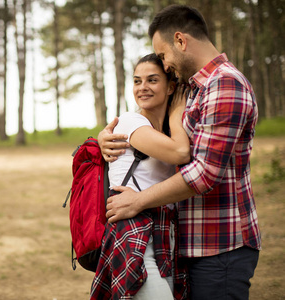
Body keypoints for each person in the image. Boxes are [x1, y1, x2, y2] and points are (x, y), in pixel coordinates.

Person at [98, 4, 261, 300]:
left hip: (221, 245)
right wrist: (104, 138)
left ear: (181, 41)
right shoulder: (197, 88)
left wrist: (137, 201)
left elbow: (202, 175)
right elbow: (156, 130)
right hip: (189, 244)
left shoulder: (225, 85)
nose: (165, 64)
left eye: (163, 56)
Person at [90, 53, 190, 300]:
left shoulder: (165, 131)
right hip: (135, 232)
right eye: (137, 81)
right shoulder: (129, 121)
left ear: (171, 87)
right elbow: (180, 153)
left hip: (164, 234)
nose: (142, 87)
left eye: (152, 80)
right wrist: (177, 112)